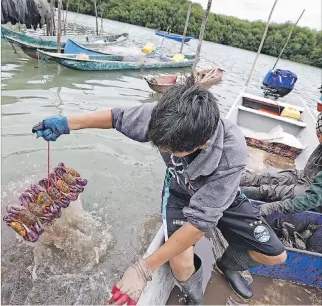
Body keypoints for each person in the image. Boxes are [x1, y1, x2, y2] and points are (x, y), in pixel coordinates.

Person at [32, 78, 286, 305]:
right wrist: (66, 124)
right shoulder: (167, 115)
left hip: (222, 197)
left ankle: (229, 264)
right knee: (181, 263)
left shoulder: (231, 153)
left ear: (203, 142)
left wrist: (143, 270)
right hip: (179, 191)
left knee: (276, 256)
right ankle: (195, 296)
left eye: (172, 150)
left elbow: (199, 223)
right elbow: (116, 117)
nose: (164, 150)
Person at [240, 112, 322, 204]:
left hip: (316, 194)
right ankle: (239, 178)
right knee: (269, 178)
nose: (319, 140)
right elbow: (307, 174)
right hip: (305, 179)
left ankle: (237, 194)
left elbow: (315, 195)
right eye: (318, 135)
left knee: (267, 191)